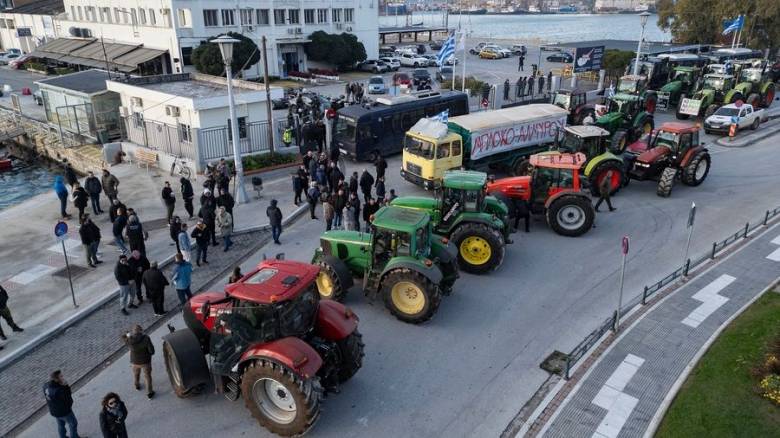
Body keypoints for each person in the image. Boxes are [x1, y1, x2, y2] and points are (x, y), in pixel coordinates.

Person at [43, 370, 80, 438]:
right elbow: (68, 398)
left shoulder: (45, 386)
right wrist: (66, 386)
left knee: (61, 425)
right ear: (56, 379)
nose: (63, 377)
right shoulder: (59, 390)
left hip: (54, 411)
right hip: (64, 412)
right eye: (61, 376)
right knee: (73, 423)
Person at [123, 325, 155, 399]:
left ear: (133, 332)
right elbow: (151, 351)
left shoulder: (130, 340)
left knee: (136, 374)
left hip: (135, 362)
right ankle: (150, 393)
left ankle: (137, 385)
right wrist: (150, 354)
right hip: (145, 361)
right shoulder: (146, 338)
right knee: (147, 376)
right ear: (141, 330)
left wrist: (127, 335)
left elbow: (124, 339)